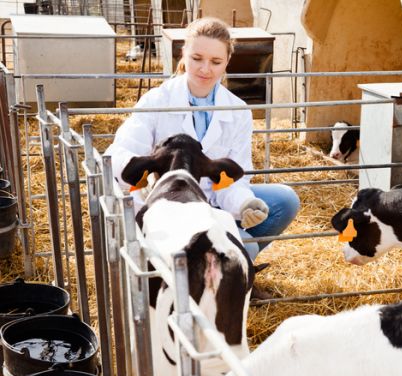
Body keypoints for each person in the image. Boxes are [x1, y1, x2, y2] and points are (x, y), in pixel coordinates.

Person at [105, 17, 300, 266]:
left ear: (227, 61)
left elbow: (235, 177)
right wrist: (145, 197)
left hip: (212, 203)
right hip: (169, 204)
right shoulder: (156, 101)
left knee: (285, 200)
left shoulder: (238, 111)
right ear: (184, 53)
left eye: (216, 62)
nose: (205, 69)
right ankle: (224, 262)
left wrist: (244, 204)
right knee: (242, 254)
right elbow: (121, 155)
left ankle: (220, 259)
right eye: (197, 58)